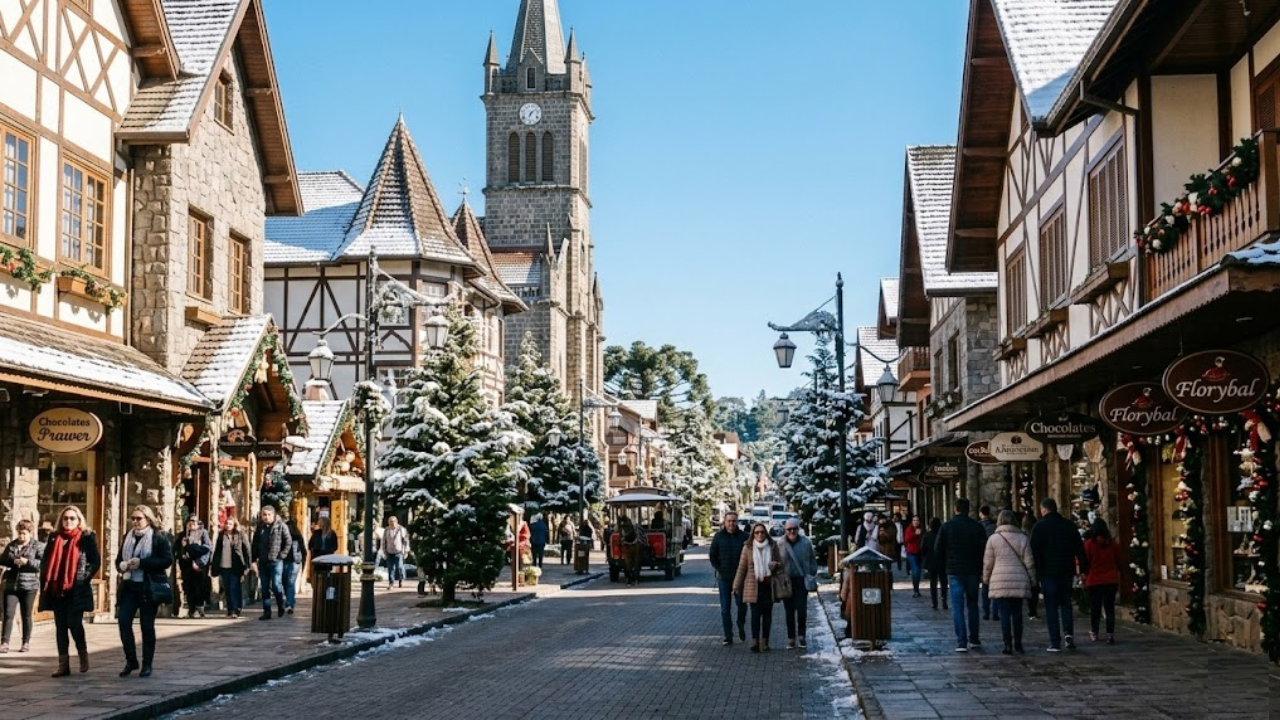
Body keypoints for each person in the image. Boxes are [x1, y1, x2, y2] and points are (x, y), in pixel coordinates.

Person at [40, 506, 100, 677]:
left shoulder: (86, 538)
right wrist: (46, 577)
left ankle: (83, 655)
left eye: (72, 518)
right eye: (66, 518)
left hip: (76, 589)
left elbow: (95, 561)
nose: (69, 521)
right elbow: (45, 561)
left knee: (74, 623)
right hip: (57, 589)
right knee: (60, 627)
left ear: (79, 520)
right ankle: (63, 664)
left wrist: (84, 577)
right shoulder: (54, 537)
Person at [116, 505, 173, 678]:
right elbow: (119, 559)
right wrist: (122, 566)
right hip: (129, 586)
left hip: (148, 587)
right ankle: (131, 660)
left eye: (138, 518)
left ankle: (147, 664)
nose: (135, 522)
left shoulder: (158, 537)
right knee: (124, 622)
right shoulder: (128, 537)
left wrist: (142, 563)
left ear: (148, 519)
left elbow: (166, 560)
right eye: (132, 518)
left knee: (146, 626)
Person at [1029, 497, 1089, 652]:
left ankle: (1055, 641)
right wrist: (1083, 568)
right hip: (1065, 570)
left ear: (1044, 509)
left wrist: (1035, 572)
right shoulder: (1068, 525)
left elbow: (1033, 552)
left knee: (1051, 607)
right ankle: (1069, 634)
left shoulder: (1039, 527)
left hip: (1048, 572)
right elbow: (1079, 548)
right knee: (1065, 604)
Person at [935, 498, 987, 652]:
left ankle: (961, 641)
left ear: (955, 509)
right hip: (972, 570)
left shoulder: (946, 527)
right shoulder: (976, 527)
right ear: (968, 509)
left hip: (954, 570)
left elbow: (938, 549)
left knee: (957, 606)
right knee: (972, 605)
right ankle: (975, 638)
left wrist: (944, 566)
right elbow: (983, 548)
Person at [983, 509, 1035, 655]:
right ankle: (1018, 643)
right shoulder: (1022, 538)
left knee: (1004, 614)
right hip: (1018, 580)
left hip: (999, 580)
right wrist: (1032, 579)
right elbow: (1029, 562)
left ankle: (1007, 644)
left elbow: (988, 563)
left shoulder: (993, 539)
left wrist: (986, 580)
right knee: (1017, 613)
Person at [732, 522, 784, 652]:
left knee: (767, 615)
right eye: (757, 532)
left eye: (762, 532)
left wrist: (775, 565)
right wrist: (736, 585)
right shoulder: (748, 548)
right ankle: (755, 641)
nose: (760, 534)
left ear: (765, 533)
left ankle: (765, 642)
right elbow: (741, 568)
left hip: (768, 585)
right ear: (753, 534)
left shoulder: (772, 546)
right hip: (753, 586)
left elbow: (781, 564)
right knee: (755, 615)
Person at [0, 519, 43, 653]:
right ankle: (4, 642)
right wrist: (13, 561)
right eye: (19, 533)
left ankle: (25, 642)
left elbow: (42, 564)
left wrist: (27, 562)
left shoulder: (37, 546)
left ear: (30, 533)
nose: (21, 537)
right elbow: (2, 560)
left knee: (26, 614)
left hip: (29, 585)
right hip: (12, 584)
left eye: (24, 533)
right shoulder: (12, 545)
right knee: (8, 613)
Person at [708, 512, 749, 645]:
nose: (731, 524)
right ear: (724, 522)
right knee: (725, 608)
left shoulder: (744, 537)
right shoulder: (719, 537)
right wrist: (719, 568)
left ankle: (740, 624)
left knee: (742, 606)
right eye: (729, 521)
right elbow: (712, 555)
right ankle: (728, 635)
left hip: (740, 579)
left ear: (737, 522)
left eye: (734, 521)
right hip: (724, 578)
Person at [779, 518, 817, 649]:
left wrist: (811, 573)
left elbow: (812, 560)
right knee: (789, 611)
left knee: (801, 609)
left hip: (801, 580)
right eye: (789, 529)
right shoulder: (780, 544)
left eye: (794, 529)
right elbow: (776, 561)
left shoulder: (806, 543)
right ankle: (791, 638)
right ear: (785, 530)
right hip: (787, 582)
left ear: (798, 529)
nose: (792, 531)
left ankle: (802, 636)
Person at [1084, 517, 1120, 644]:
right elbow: (1118, 560)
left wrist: (1085, 575)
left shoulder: (1089, 544)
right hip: (1110, 579)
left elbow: (1085, 562)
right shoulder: (1112, 544)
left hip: (1094, 580)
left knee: (1095, 608)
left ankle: (1095, 632)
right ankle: (1110, 634)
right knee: (1109, 608)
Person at [251, 505, 289, 620]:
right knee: (264, 587)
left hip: (276, 560)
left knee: (277, 585)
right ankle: (267, 611)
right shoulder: (260, 528)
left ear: (273, 515)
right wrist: (253, 559)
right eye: (264, 515)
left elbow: (288, 542)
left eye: (268, 515)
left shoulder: (281, 526)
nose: (266, 517)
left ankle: (280, 605)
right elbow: (255, 544)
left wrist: (281, 555)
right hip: (263, 561)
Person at [212, 517, 251, 618]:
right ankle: (230, 609)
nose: (228, 525)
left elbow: (247, 549)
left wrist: (248, 565)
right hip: (224, 565)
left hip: (236, 565)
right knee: (227, 588)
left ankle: (236, 609)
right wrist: (214, 565)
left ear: (234, 525)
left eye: (230, 524)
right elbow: (217, 551)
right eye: (226, 523)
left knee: (234, 587)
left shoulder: (240, 534)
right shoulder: (221, 536)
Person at [176, 516, 212, 619]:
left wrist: (199, 562)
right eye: (190, 522)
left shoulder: (203, 533)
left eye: (194, 522)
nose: (192, 524)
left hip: (199, 564)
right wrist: (182, 547)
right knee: (188, 587)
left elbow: (207, 548)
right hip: (186, 564)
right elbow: (177, 549)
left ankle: (199, 608)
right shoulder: (183, 534)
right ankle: (191, 609)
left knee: (199, 587)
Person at [921, 517, 948, 611]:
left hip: (931, 562)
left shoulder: (927, 535)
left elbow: (923, 549)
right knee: (943, 581)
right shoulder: (943, 535)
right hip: (942, 561)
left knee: (933, 582)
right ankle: (944, 600)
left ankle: (934, 602)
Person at [282, 519, 307, 614]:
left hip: (292, 561)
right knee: (287, 582)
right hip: (290, 561)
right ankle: (290, 600)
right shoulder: (285, 537)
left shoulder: (295, 537)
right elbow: (304, 551)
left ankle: (289, 603)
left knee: (289, 582)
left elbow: (303, 550)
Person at [978, 505, 997, 621]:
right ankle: (995, 612)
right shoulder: (995, 527)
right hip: (995, 559)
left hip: (983, 559)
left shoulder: (977, 526)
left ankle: (986, 611)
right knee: (995, 586)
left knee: (986, 585)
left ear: (981, 513)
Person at [382, 515, 409, 589]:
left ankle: (401, 580)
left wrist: (406, 551)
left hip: (399, 551)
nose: (392, 523)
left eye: (393, 521)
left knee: (400, 567)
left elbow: (406, 541)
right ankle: (391, 583)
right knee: (391, 568)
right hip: (389, 551)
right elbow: (384, 541)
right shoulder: (386, 530)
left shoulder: (401, 529)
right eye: (390, 522)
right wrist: (384, 551)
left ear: (396, 522)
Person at [1021, 514, 1040, 619]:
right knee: (1034, 586)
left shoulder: (1022, 534)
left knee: (1029, 586)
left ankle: (1031, 609)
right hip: (1035, 562)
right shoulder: (1036, 533)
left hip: (1024, 562)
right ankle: (1033, 609)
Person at [903, 515, 924, 598]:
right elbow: (907, 539)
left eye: (917, 520)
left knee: (918, 571)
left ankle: (917, 588)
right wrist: (915, 534)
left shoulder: (922, 529)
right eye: (914, 520)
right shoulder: (909, 529)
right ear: (912, 521)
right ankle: (916, 590)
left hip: (920, 552)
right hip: (911, 552)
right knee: (915, 570)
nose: (916, 522)